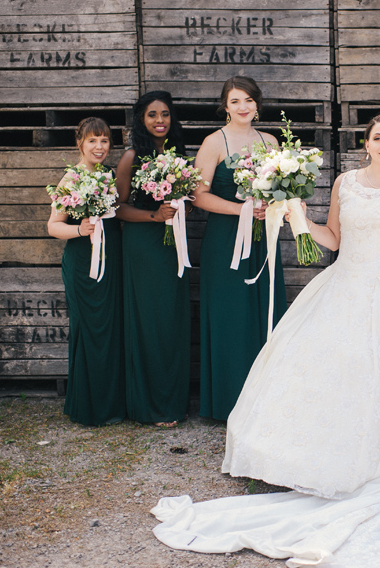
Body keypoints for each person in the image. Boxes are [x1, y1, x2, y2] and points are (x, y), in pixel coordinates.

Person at [151, 113, 380, 567]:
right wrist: (297, 214)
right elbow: (333, 240)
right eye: (376, 137)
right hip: (343, 283)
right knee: (328, 370)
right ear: (367, 143)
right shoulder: (345, 182)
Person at [192, 76, 287, 421]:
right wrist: (242, 209)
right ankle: (228, 401)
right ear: (225, 106)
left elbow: (283, 187)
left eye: (248, 100)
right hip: (225, 241)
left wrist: (272, 206)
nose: (243, 107)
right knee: (229, 315)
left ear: (257, 104)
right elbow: (198, 195)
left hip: (263, 239)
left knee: (261, 312)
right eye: (235, 101)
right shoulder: (213, 142)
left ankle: (264, 401)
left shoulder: (271, 141)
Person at [115, 91, 190, 427]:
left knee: (172, 319)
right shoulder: (132, 156)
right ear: (141, 120)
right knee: (150, 320)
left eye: (165, 115)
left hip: (173, 243)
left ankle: (173, 402)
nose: (160, 121)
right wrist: (154, 218)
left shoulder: (179, 156)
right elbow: (117, 208)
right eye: (152, 115)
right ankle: (150, 406)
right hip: (143, 244)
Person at [47, 117, 124, 426]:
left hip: (111, 259)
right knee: (89, 329)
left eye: (104, 140)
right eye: (92, 140)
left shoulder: (109, 175)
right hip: (83, 263)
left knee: (110, 328)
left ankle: (113, 403)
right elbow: (53, 226)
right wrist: (80, 228)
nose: (99, 146)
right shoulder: (71, 178)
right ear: (79, 143)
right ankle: (89, 407)